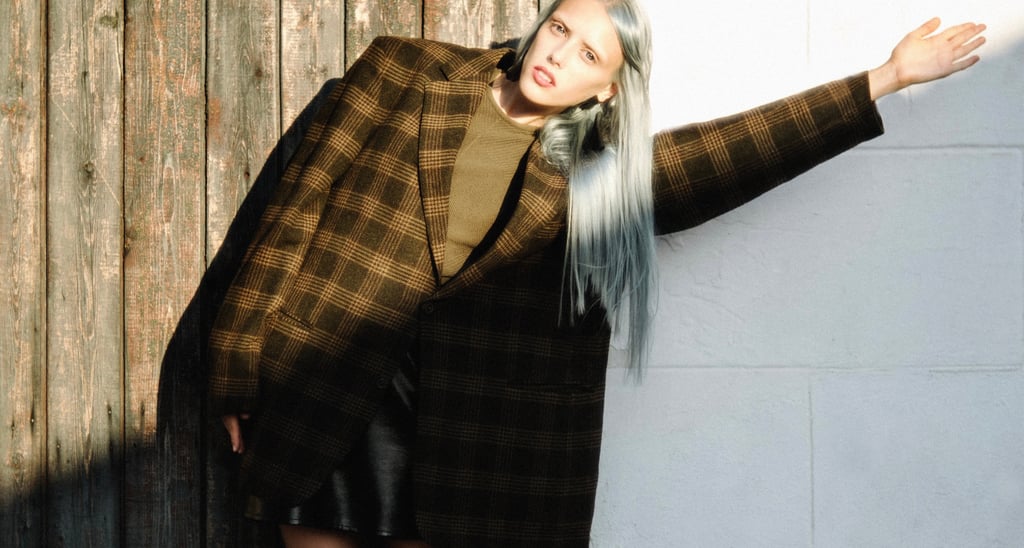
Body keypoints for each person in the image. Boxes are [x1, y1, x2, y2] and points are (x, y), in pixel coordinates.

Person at [208, 0, 986, 546]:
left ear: (610, 87)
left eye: (589, 54)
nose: (558, 56)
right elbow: (294, 213)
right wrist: (237, 366)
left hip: (463, 431)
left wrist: (883, 78)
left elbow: (726, 156)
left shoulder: (598, 171)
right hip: (328, 388)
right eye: (559, 30)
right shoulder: (404, 72)